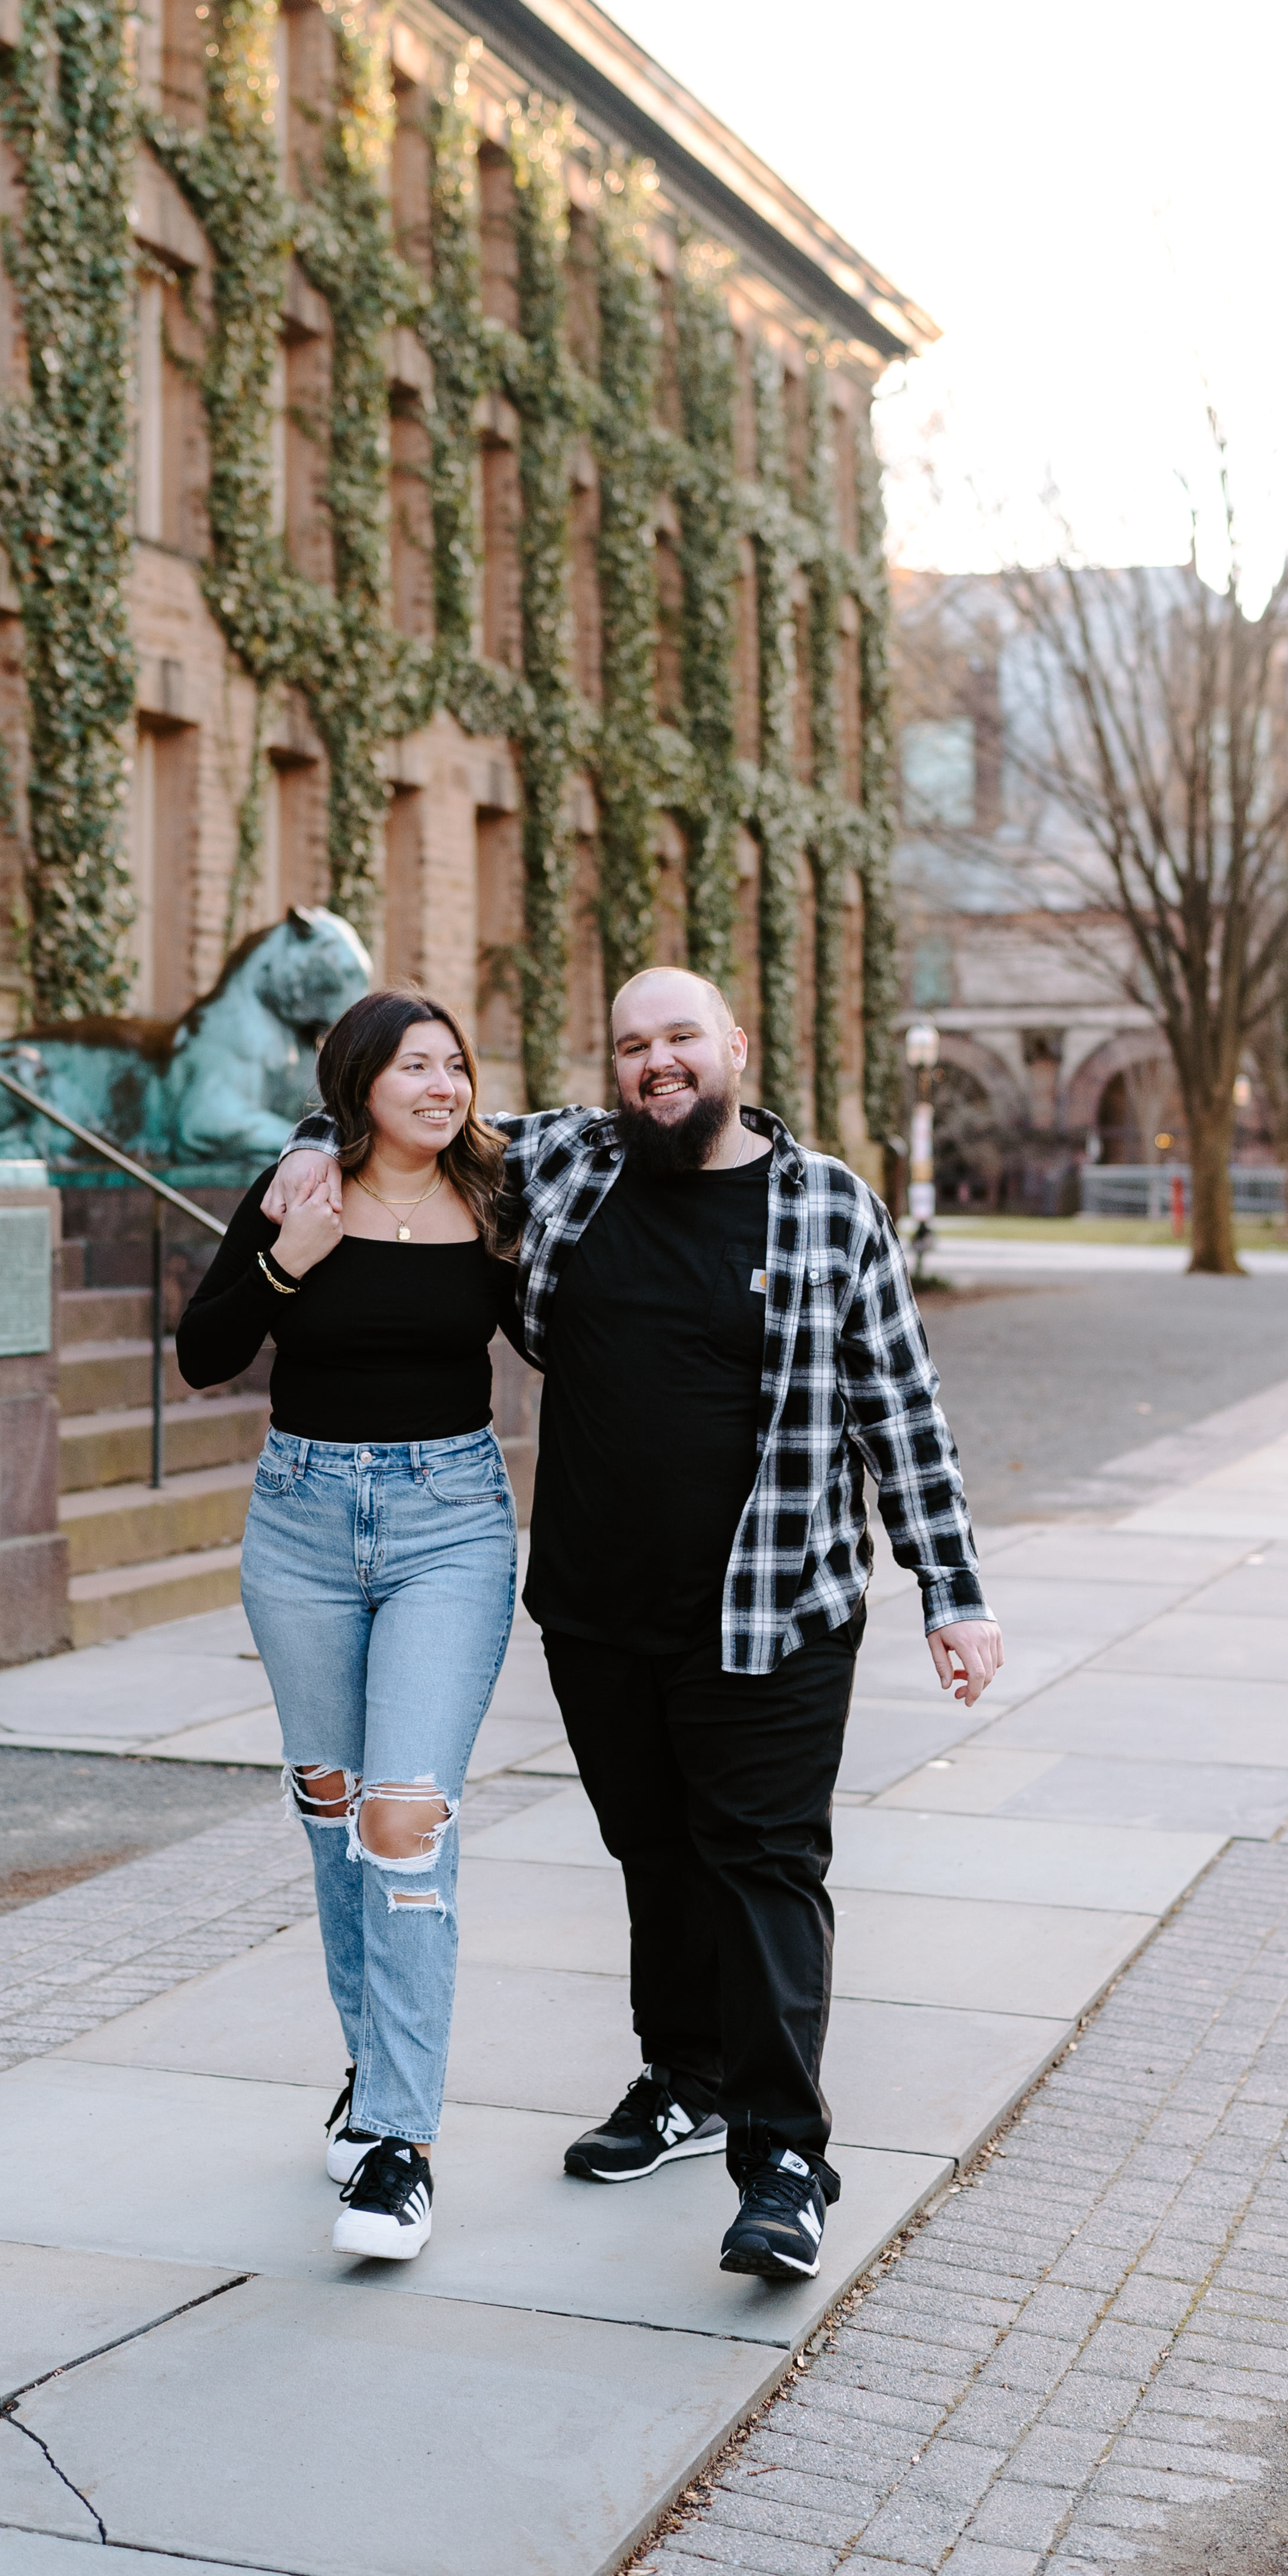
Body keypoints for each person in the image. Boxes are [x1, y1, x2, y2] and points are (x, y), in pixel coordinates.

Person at [264, 966, 1001, 2286]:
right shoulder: (569, 1164)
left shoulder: (826, 1206)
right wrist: (311, 1148)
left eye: (677, 1040)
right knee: (651, 1852)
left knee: (762, 1865)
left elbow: (903, 1411)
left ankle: (782, 2159)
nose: (654, 1063)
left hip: (772, 1609)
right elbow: (413, 1121)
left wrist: (951, 1594)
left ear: (731, 1046)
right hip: (598, 1611)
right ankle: (683, 2078)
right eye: (628, 1046)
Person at [175, 985, 520, 2265]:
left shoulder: (498, 1199)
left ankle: (398, 2148)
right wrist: (284, 1263)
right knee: (332, 1812)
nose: (442, 1087)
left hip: (448, 1523)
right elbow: (201, 1354)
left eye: (456, 1067)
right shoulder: (298, 1192)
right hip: (302, 1525)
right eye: (415, 1069)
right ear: (357, 1084)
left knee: (404, 1816)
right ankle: (372, 2072)